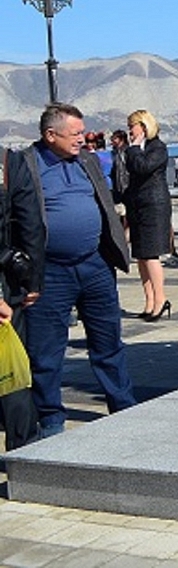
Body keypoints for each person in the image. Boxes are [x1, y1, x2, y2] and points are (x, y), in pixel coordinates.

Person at [5, 103, 137, 438]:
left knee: (109, 343)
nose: (83, 138)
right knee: (46, 352)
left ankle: (122, 404)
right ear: (51, 135)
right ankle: (51, 418)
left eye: (82, 132)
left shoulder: (88, 160)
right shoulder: (27, 165)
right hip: (50, 272)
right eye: (75, 133)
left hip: (94, 265)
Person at [0, 150, 40, 450]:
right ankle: (23, 455)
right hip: (7, 288)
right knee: (14, 381)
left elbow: (30, 221)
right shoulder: (8, 161)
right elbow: (30, 225)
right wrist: (31, 280)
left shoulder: (10, 162)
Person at [124, 110, 173, 321]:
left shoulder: (157, 148)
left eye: (131, 126)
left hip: (154, 205)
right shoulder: (131, 150)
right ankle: (149, 299)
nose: (129, 131)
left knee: (151, 254)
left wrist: (134, 148)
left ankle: (160, 298)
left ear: (143, 126)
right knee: (141, 255)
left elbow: (143, 167)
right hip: (137, 205)